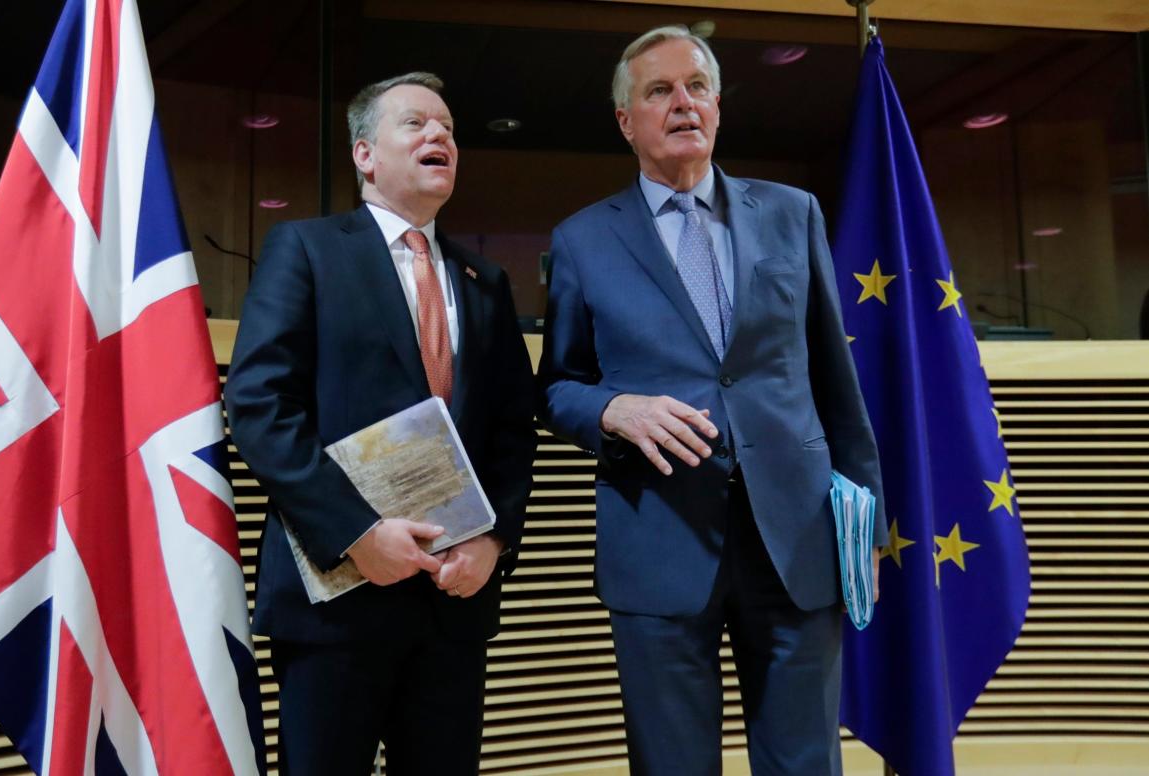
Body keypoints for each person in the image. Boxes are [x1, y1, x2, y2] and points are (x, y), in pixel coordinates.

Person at [537, 26, 886, 776]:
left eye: (696, 86)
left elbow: (835, 382)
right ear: (627, 121)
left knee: (804, 763)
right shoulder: (580, 241)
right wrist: (611, 411)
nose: (682, 103)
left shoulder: (792, 214)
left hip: (796, 538)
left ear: (719, 107)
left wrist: (867, 529)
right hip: (659, 541)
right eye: (658, 91)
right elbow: (556, 385)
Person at [225, 71, 536, 775]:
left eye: (450, 130)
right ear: (365, 154)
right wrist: (357, 535)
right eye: (417, 124)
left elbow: (514, 430)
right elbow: (258, 406)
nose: (440, 137)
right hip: (338, 599)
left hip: (453, 601)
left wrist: (494, 541)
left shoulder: (485, 282)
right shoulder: (304, 249)